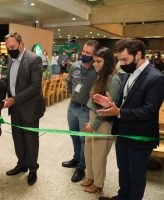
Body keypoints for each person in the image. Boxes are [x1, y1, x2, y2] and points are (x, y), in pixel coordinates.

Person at [95, 38, 164, 200]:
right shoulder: (128, 74)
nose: (123, 64)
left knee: (136, 174)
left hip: (140, 135)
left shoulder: (156, 78)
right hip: (123, 132)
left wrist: (119, 112)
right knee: (123, 169)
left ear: (139, 54)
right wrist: (111, 104)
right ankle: (122, 195)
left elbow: (149, 110)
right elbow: (126, 101)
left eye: (125, 60)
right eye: (120, 60)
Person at [3, 32, 45, 186]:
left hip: (29, 108)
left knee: (30, 139)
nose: (10, 50)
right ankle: (21, 164)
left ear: (21, 44)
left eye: (12, 47)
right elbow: (11, 81)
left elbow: (35, 87)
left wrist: (15, 99)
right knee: (18, 137)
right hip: (15, 108)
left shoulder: (34, 59)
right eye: (7, 47)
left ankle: (33, 168)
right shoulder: (10, 58)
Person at [81, 47, 121, 193]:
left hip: (104, 122)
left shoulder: (113, 80)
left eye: (99, 61)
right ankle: (91, 177)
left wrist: (94, 124)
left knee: (99, 155)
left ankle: (98, 184)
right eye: (94, 61)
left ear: (108, 62)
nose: (94, 64)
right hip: (94, 117)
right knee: (89, 151)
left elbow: (108, 109)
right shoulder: (101, 76)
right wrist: (91, 122)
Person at [62, 40, 100, 183]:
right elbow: (70, 82)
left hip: (85, 110)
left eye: (88, 53)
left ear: (94, 54)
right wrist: (73, 94)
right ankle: (76, 158)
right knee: (74, 136)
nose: (84, 54)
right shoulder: (75, 66)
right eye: (83, 51)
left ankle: (81, 167)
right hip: (72, 107)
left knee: (84, 140)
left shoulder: (97, 70)